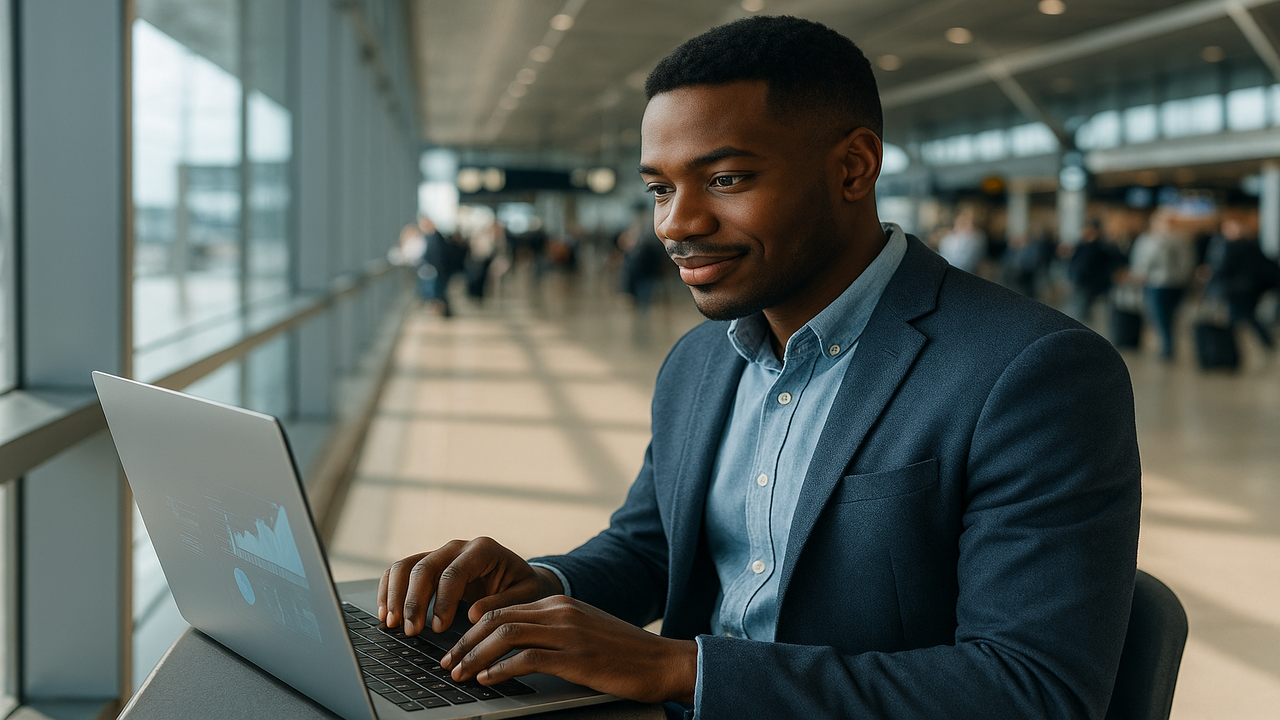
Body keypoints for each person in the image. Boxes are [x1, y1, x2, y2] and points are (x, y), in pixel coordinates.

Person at [378, 16, 1140, 719]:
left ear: (853, 167)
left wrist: (684, 671)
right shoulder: (701, 361)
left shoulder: (1032, 373)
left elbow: (1035, 690)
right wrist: (543, 588)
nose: (677, 223)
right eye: (659, 189)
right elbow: (654, 549)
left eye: (726, 180)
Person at [1129, 209, 1196, 359]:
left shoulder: (1152, 239)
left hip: (1159, 283)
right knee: (1166, 316)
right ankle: (1167, 344)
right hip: (1173, 283)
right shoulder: (1183, 239)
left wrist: (1140, 274)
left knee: (1160, 316)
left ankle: (1167, 347)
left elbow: (1144, 261)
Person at [1201, 218, 1277, 349]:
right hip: (1243, 288)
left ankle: (1233, 347)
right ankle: (1261, 342)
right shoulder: (1247, 245)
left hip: (1240, 289)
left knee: (1242, 317)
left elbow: (1224, 267)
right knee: (1244, 316)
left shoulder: (1236, 247)